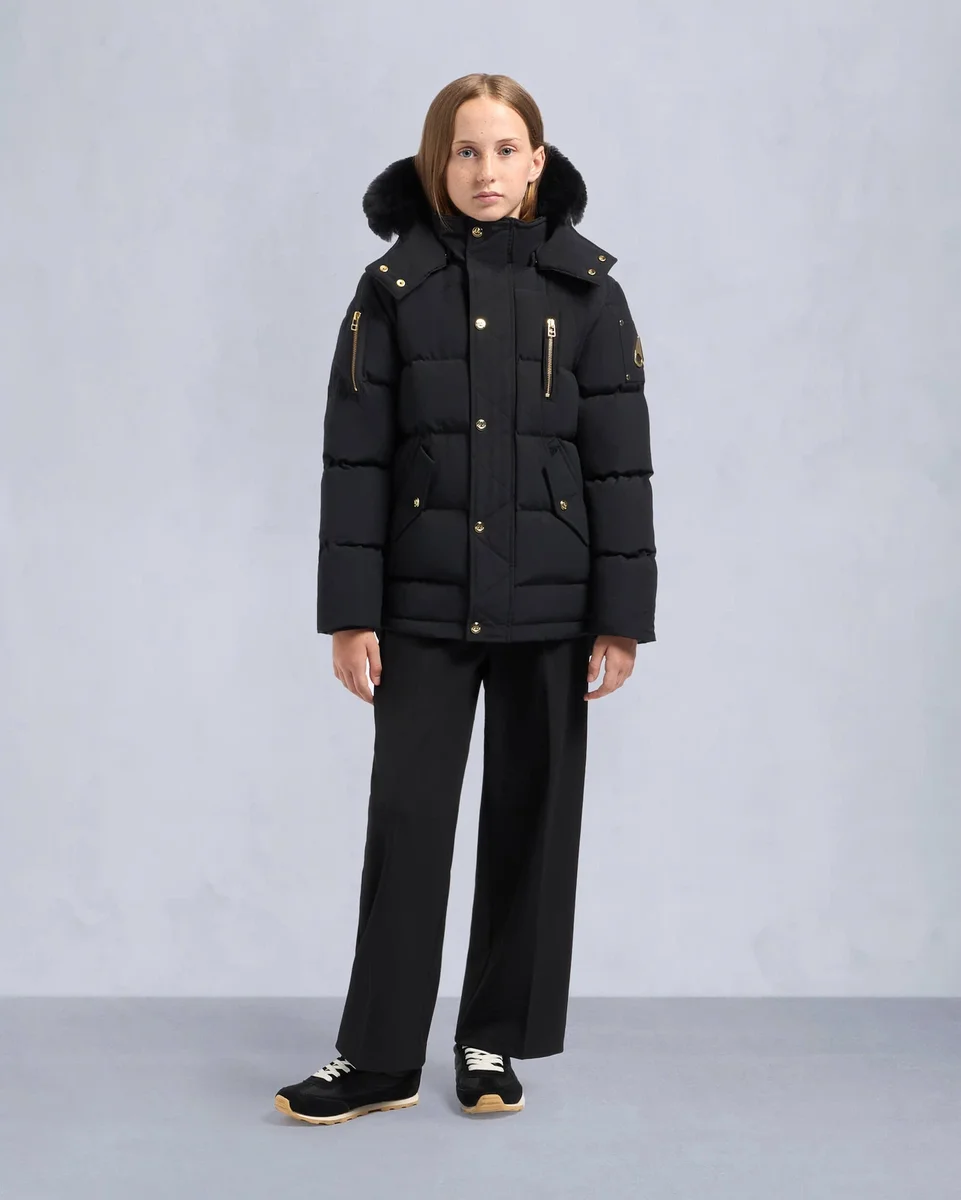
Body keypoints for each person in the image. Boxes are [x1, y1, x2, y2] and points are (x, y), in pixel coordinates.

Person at [274, 73, 656, 1126]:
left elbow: (620, 464)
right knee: (407, 821)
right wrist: (351, 613)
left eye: (505, 150)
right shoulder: (391, 290)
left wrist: (621, 615)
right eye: (465, 151)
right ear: (435, 164)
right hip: (420, 603)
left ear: (538, 162)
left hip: (552, 604)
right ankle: (378, 1058)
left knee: (533, 820)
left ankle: (490, 1041)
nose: (486, 171)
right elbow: (354, 460)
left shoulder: (589, 292)